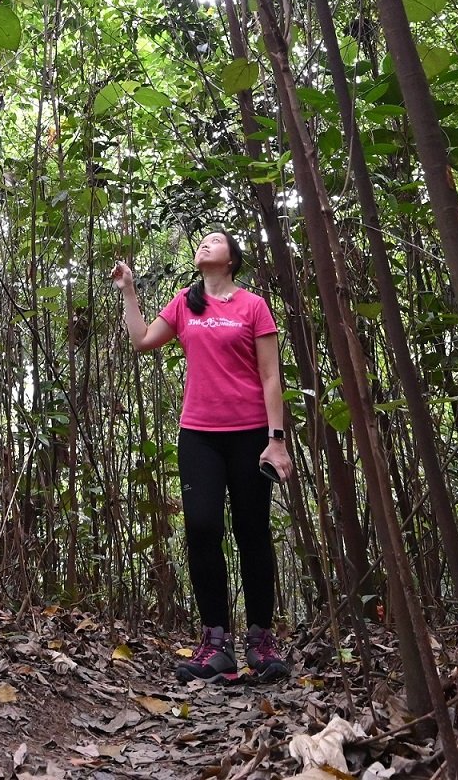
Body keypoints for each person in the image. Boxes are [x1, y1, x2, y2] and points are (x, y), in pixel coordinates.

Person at [111, 230, 293, 684]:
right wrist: (130, 291)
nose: (206, 244)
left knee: (252, 531)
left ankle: (260, 641)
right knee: (202, 529)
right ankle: (216, 645)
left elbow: (271, 377)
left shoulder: (253, 305)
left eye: (216, 240)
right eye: (204, 240)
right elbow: (142, 341)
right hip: (199, 435)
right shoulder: (183, 302)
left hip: (251, 433)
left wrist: (277, 438)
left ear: (232, 258)